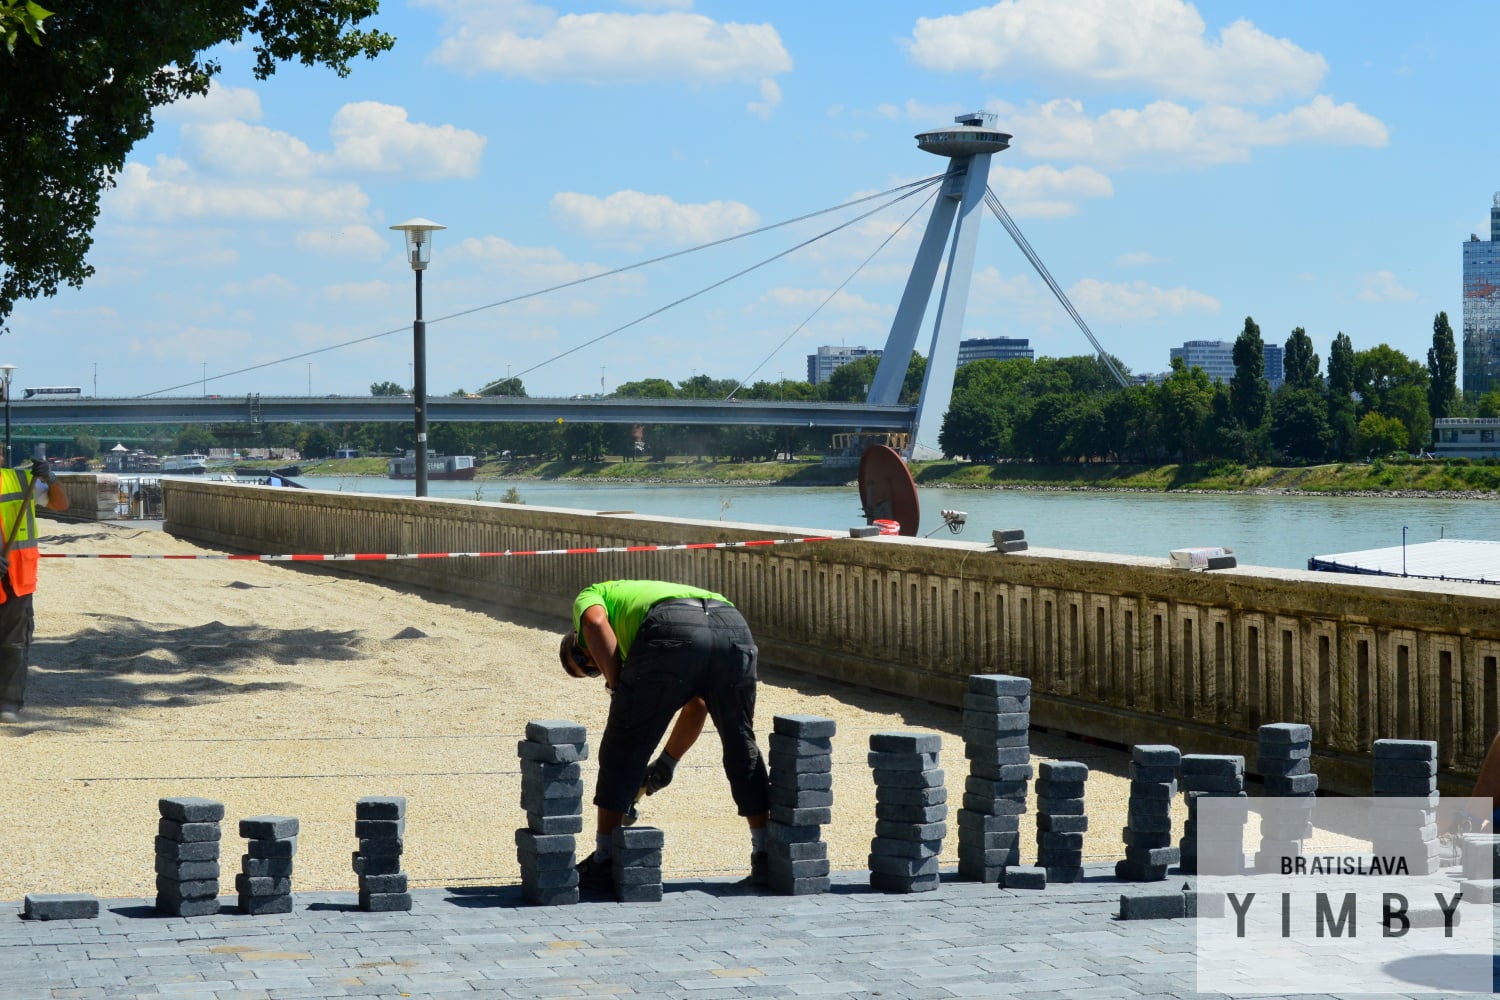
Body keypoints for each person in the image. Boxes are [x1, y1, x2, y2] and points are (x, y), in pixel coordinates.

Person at [559, 579, 770, 891]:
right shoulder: (633, 602)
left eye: (580, 657)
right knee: (741, 742)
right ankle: (767, 855)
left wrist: (617, 687)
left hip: (671, 624)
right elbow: (698, 704)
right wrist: (666, 764)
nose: (591, 663)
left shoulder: (592, 594)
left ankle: (605, 859)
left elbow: (594, 622)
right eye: (589, 671)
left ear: (577, 636)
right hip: (731, 623)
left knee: (622, 744)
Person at [0, 456, 70, 722]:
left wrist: (50, 479)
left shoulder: (20, 480)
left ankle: (7, 704)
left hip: (17, 577)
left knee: (14, 644)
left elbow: (61, 504)